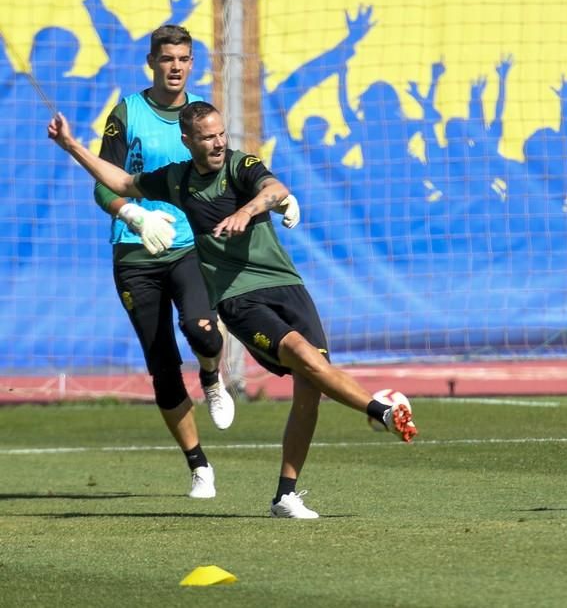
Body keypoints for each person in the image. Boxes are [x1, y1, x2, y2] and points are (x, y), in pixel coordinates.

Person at [49, 101, 418, 519]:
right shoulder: (177, 180)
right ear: (187, 141)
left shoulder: (241, 165)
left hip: (286, 284)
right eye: (207, 137)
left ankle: (285, 496)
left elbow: (275, 188)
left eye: (221, 133)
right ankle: (381, 412)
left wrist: (249, 209)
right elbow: (121, 181)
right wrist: (72, 146)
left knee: (311, 384)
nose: (218, 142)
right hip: (237, 297)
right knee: (299, 352)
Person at [91, 25, 236, 500]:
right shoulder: (127, 113)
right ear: (151, 62)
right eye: (167, 58)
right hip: (135, 256)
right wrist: (134, 215)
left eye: (183, 58)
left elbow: (225, 173)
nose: (175, 66)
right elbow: (104, 186)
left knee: (203, 334)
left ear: (192, 63)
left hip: (189, 248)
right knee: (163, 364)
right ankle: (199, 466)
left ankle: (212, 377)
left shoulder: (200, 117)